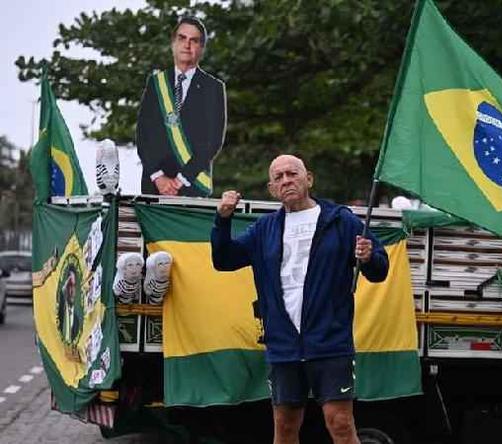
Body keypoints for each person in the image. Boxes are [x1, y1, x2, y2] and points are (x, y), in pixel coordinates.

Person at [211, 155, 389, 444]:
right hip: (283, 344)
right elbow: (224, 260)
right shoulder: (264, 229)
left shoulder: (340, 220)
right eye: (279, 177)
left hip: (330, 341)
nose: (286, 181)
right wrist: (223, 220)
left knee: (340, 423)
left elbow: (379, 269)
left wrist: (369, 257)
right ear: (271, 188)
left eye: (292, 174)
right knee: (284, 426)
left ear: (309, 179)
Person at [136, 16, 227, 197]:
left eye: (194, 41)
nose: (187, 45)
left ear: (201, 48)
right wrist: (159, 177)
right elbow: (142, 135)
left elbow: (213, 141)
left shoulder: (214, 88)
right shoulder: (156, 83)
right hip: (154, 186)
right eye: (182, 38)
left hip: (192, 187)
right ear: (173, 43)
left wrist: (181, 180)